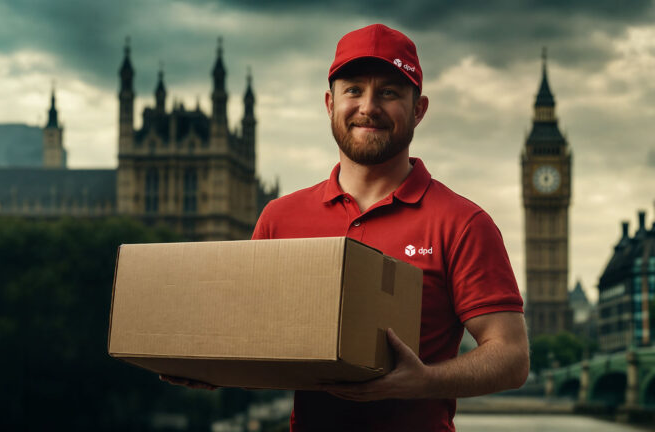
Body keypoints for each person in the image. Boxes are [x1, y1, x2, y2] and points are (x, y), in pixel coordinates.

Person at [162, 23, 529, 431]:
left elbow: (512, 358)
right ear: (329, 103)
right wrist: (211, 368)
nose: (368, 107)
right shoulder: (280, 218)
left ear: (419, 109)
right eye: (353, 89)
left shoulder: (462, 223)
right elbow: (261, 350)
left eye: (388, 92)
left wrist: (423, 381)